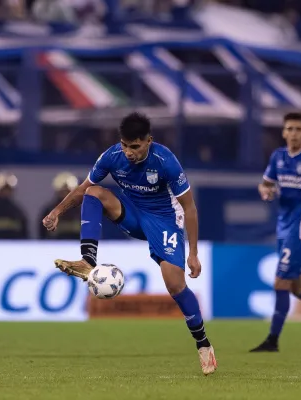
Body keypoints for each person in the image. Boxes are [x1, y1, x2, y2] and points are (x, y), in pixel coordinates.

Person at [42, 112, 217, 375]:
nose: (128, 152)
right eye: (124, 145)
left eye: (134, 146)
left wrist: (193, 253)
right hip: (133, 213)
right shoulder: (111, 156)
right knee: (93, 192)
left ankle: (203, 344)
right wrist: (57, 211)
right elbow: (82, 188)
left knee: (175, 285)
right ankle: (88, 260)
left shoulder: (166, 161)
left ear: (149, 141)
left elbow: (189, 208)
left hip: (165, 220)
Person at [250, 112, 301, 352]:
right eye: (290, 128)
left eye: (299, 129)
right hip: (283, 225)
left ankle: (272, 341)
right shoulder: (278, 157)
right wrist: (265, 191)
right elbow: (266, 184)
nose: (294, 133)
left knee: (281, 281)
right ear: (284, 132)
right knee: (297, 288)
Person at [38, 172, 81, 239]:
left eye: (68, 192)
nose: (66, 195)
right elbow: (42, 236)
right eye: (63, 191)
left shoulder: (82, 212)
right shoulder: (49, 212)